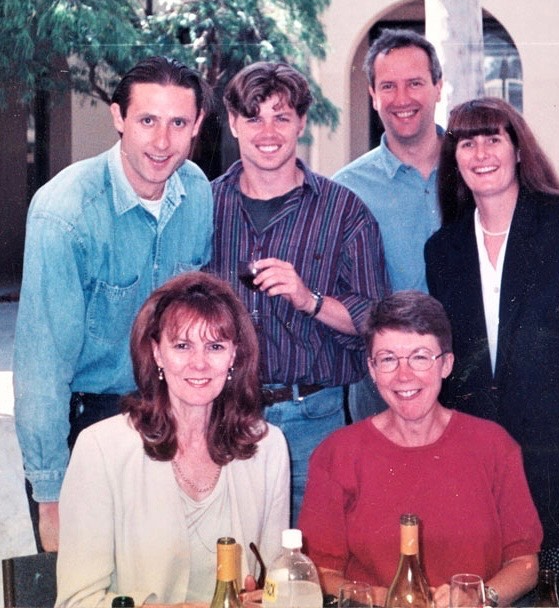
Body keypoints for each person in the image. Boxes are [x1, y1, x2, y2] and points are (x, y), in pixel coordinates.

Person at [425, 97, 559, 607]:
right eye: (466, 143)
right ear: (454, 160)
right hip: (488, 492)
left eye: (493, 138)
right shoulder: (444, 250)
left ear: (518, 149)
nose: (480, 152)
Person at [13, 56, 213, 553]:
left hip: (172, 419)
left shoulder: (197, 192)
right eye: (147, 120)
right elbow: (42, 367)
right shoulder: (65, 212)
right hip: (89, 423)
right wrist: (51, 494)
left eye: (178, 123)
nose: (162, 142)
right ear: (118, 118)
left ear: (197, 126)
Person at [207, 61, 390, 525]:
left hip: (315, 419)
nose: (268, 131)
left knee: (315, 567)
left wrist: (309, 299)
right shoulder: (203, 206)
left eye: (281, 117)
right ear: (233, 122)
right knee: (231, 564)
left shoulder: (343, 210)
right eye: (254, 117)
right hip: (223, 416)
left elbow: (374, 322)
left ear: (301, 123)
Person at [55, 272, 290, 607]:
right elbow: (76, 602)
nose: (199, 363)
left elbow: (277, 584)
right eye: (182, 345)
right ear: (156, 353)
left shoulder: (268, 447)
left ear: (234, 356)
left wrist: (268, 596)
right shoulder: (101, 449)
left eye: (215, 346)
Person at [298, 291, 542, 608]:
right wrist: (375, 597)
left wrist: (481, 597)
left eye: (420, 357)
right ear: (371, 370)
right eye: (388, 359)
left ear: (447, 364)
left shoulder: (495, 446)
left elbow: (525, 564)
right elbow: (320, 570)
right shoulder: (336, 454)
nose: (404, 375)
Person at [333, 28, 444, 421]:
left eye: (415, 83)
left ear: (438, 87)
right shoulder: (344, 192)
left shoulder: (475, 172)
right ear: (372, 95)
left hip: (472, 382)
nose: (402, 99)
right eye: (388, 86)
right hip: (382, 394)